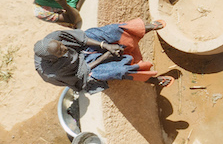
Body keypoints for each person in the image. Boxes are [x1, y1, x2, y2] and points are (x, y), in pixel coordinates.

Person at [34, 19, 173, 94]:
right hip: (83, 71)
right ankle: (152, 79)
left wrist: (104, 45)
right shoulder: (52, 72)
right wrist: (104, 57)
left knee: (111, 31)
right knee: (119, 71)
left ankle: (146, 28)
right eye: (60, 51)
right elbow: (80, 74)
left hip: (83, 49)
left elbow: (81, 39)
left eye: (61, 45)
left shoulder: (54, 38)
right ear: (52, 58)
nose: (64, 48)